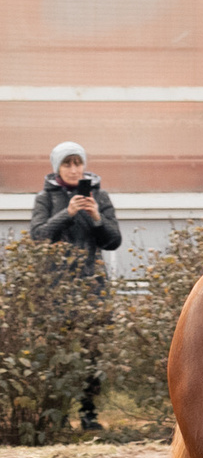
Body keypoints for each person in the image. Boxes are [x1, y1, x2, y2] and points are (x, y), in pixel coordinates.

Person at [29, 141, 122, 431]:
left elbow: (113, 240)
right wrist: (67, 213)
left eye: (77, 163)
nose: (73, 169)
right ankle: (57, 417)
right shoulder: (45, 198)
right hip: (56, 291)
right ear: (57, 167)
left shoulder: (99, 196)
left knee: (92, 355)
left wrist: (96, 217)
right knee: (58, 355)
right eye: (67, 164)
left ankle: (88, 414)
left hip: (92, 289)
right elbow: (38, 237)